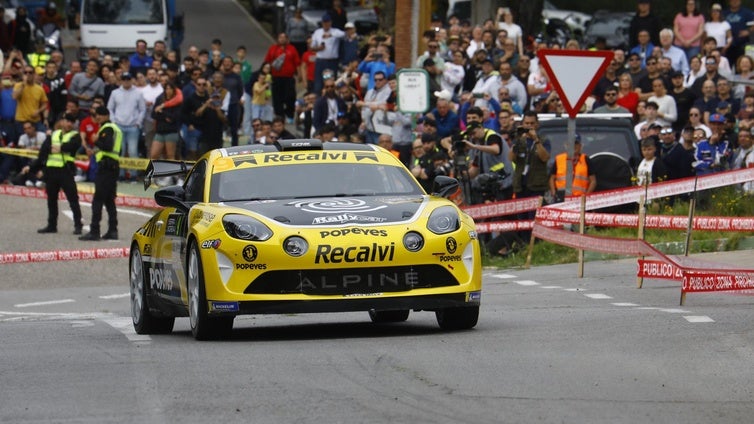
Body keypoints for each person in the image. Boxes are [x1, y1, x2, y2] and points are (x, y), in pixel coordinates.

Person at [24, 113, 83, 234]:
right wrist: (31, 167)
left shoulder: (75, 135)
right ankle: (52, 225)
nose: (69, 124)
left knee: (73, 199)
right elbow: (43, 153)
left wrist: (59, 147)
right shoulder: (54, 135)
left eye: (71, 122)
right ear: (62, 122)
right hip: (51, 171)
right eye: (67, 121)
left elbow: (72, 146)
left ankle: (78, 225)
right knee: (51, 199)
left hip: (66, 170)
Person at [80, 106, 121, 241]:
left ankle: (94, 230)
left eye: (98, 115)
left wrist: (96, 140)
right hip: (112, 166)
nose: (96, 117)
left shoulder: (107, 128)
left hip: (106, 168)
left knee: (98, 200)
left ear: (105, 116)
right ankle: (113, 230)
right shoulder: (114, 128)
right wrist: (96, 150)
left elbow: (108, 145)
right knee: (109, 200)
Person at [107, 72, 145, 180]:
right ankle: (121, 174)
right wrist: (113, 121)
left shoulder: (138, 92)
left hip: (133, 126)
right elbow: (110, 108)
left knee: (133, 151)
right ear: (121, 80)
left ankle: (133, 174)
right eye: (124, 79)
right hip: (118, 126)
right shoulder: (115, 93)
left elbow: (142, 109)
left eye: (128, 79)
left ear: (132, 80)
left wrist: (138, 122)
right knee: (120, 151)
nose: (126, 81)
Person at [263, 33, 300, 126]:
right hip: (276, 77)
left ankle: (289, 114)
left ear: (287, 39)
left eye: (284, 38)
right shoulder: (273, 49)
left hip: (289, 78)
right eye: (280, 37)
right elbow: (267, 62)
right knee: (277, 98)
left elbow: (297, 63)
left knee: (290, 96)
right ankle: (279, 116)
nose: (282, 39)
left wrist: (299, 75)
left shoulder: (292, 49)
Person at [549, 134, 597, 202]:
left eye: (576, 143)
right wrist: (554, 193)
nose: (573, 146)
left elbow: (593, 181)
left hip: (579, 199)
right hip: (561, 198)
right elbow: (552, 178)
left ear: (580, 146)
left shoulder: (586, 159)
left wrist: (586, 196)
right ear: (566, 145)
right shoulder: (559, 159)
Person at [311, 14, 345, 95]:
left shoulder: (335, 31)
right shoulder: (317, 32)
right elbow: (312, 46)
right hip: (321, 61)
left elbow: (344, 34)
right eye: (324, 22)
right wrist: (319, 48)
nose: (326, 24)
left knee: (332, 83)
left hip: (332, 61)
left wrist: (331, 35)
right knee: (319, 84)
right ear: (322, 23)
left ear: (330, 22)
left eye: (327, 22)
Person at [150, 81, 182, 161]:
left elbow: (173, 118)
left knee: (170, 156)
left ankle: (173, 173)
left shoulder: (177, 102)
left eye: (170, 89)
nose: (168, 90)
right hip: (160, 131)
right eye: (167, 89)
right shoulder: (160, 100)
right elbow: (153, 114)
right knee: (153, 155)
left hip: (171, 131)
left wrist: (161, 112)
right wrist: (165, 116)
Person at [13, 65, 48, 134]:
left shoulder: (39, 88)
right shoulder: (18, 85)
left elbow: (45, 104)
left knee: (43, 136)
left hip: (35, 120)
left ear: (34, 74)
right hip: (21, 121)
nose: (28, 74)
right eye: (25, 73)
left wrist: (38, 111)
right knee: (22, 142)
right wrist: (23, 84)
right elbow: (14, 97)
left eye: (30, 72)